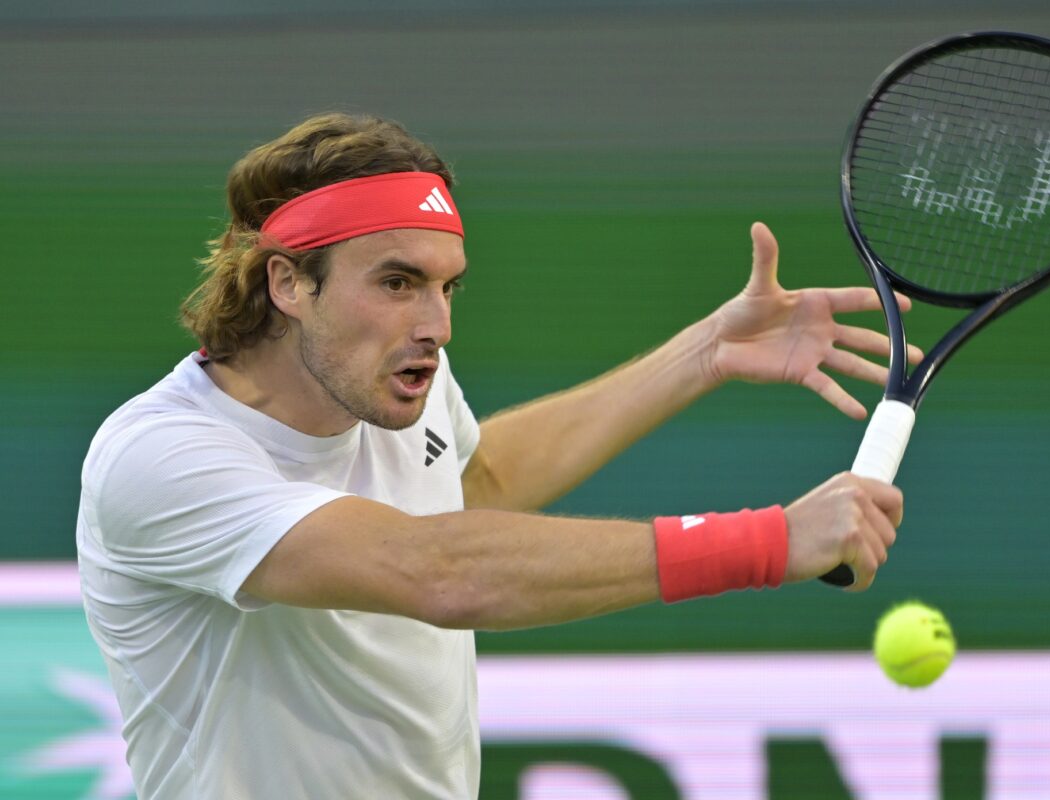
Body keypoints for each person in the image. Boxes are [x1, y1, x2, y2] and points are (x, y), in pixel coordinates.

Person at [76, 112, 920, 799]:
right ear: (289, 283)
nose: (437, 326)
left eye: (448, 287)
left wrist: (703, 354)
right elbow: (438, 571)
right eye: (398, 282)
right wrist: (768, 541)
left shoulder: (390, 378)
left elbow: (474, 485)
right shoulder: (161, 458)